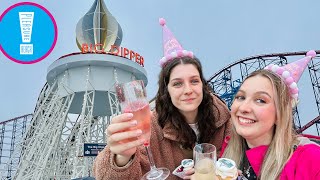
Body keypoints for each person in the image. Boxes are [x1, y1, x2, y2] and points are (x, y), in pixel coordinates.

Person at [92, 18, 231, 180]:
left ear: (203, 85)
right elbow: (103, 175)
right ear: (167, 91)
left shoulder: (224, 118)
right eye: (177, 84)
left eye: (194, 81)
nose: (188, 90)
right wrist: (121, 158)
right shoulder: (150, 126)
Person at [221, 50, 320, 180]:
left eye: (260, 100)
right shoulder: (229, 150)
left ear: (280, 114)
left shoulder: (310, 159)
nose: (244, 108)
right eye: (240, 97)